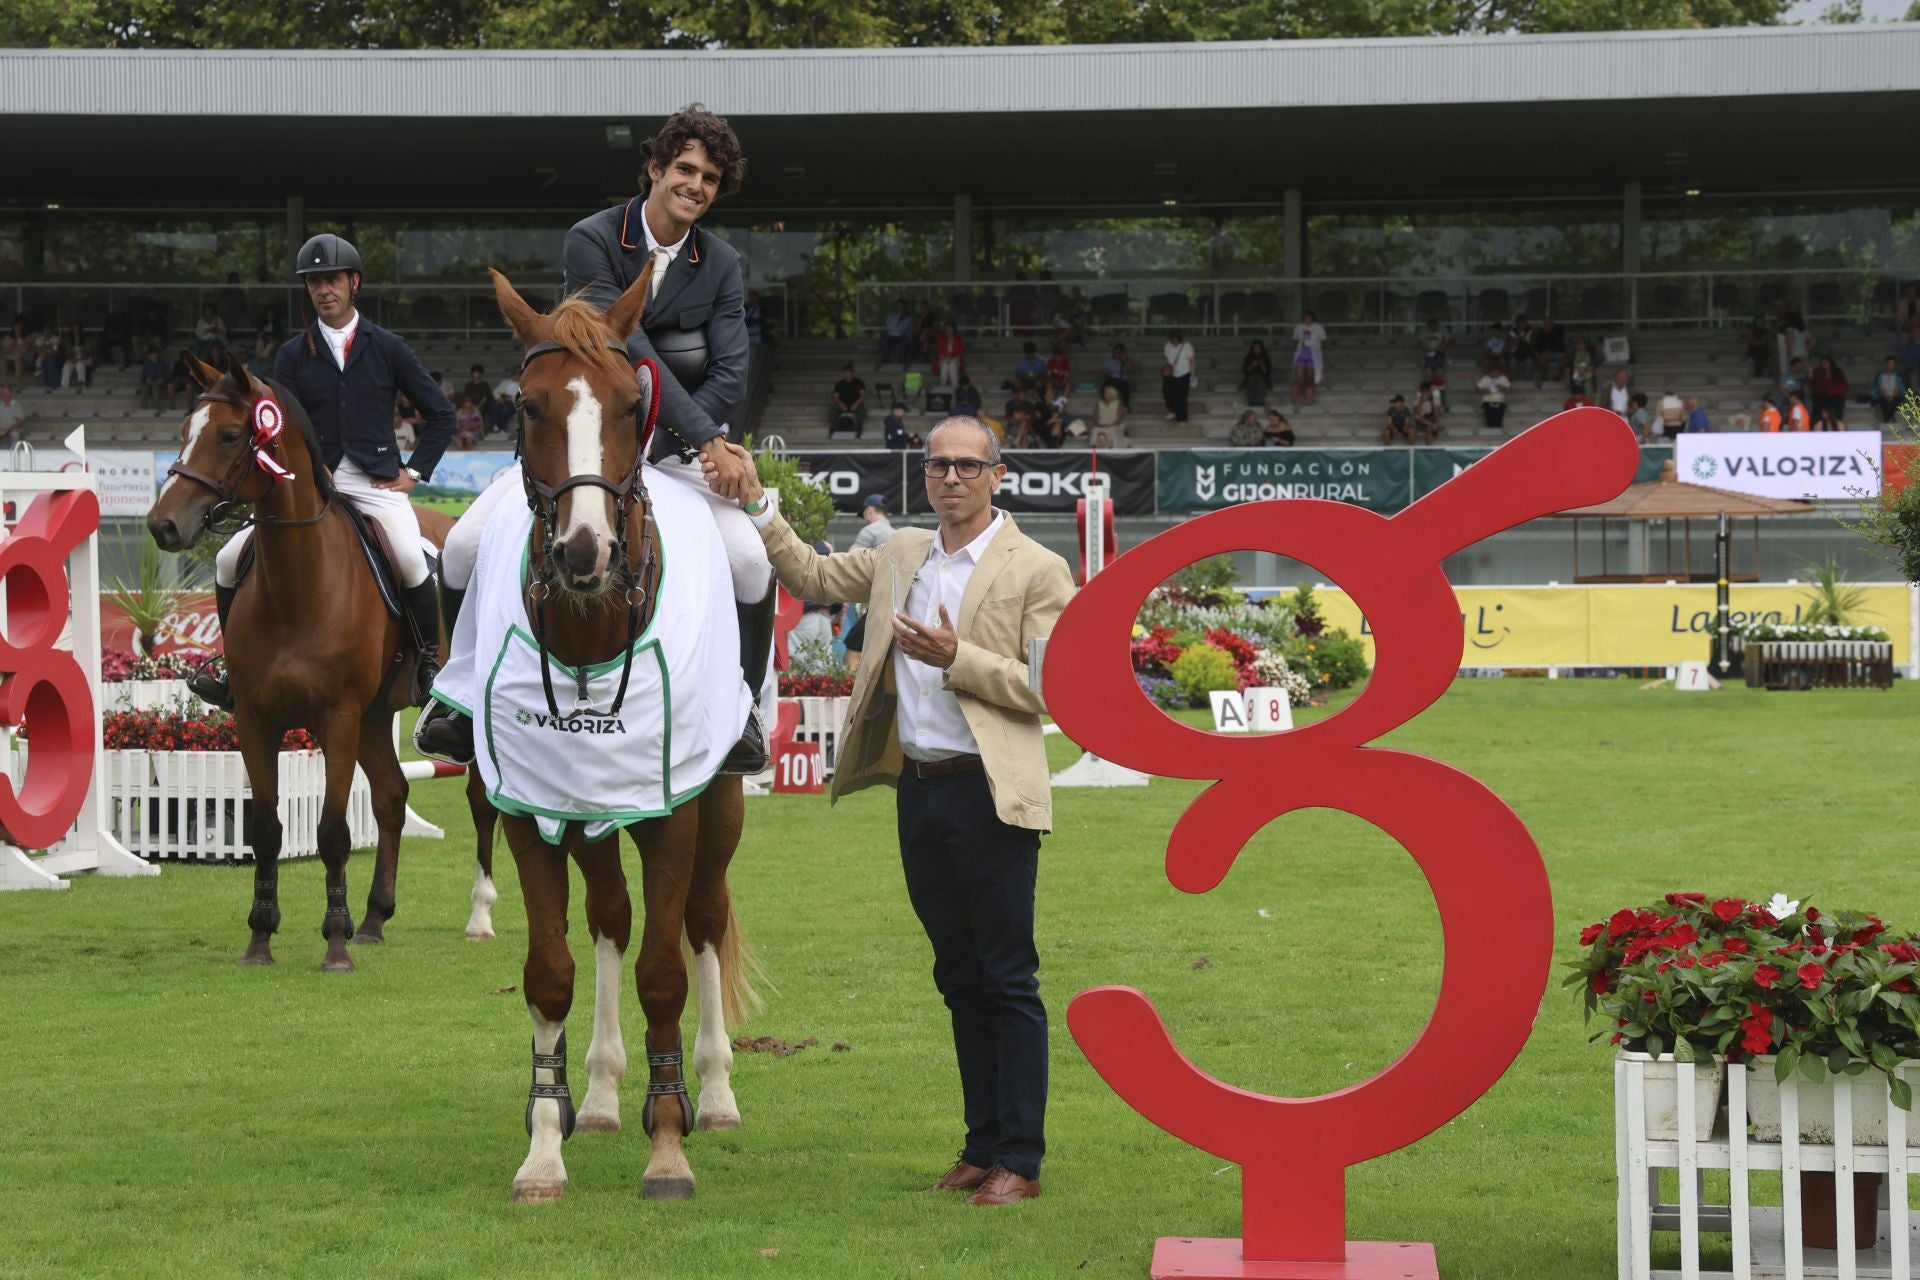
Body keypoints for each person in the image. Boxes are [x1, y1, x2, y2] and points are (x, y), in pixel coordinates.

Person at [722, 414, 1073, 1209]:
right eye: (939, 466)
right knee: (957, 977)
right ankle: (982, 1146)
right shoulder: (900, 552)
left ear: (998, 474)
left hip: (992, 794)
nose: (951, 478)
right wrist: (757, 503)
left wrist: (963, 661)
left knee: (1007, 977)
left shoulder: (1040, 569)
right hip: (918, 791)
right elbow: (809, 575)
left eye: (967, 466)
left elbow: (1056, 693)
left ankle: (1021, 1156)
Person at [417, 104, 770, 774]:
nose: (696, 185)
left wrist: (693, 446)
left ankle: (745, 708)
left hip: (675, 453)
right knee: (462, 546)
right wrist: (703, 437)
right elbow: (624, 347)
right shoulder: (593, 238)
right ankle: (458, 696)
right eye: (686, 169)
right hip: (582, 445)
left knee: (751, 564)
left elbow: (731, 373)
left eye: (711, 178)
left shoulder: (721, 262)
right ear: (656, 168)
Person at [187, 232, 456, 712]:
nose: (323, 289)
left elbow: (441, 414)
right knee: (229, 560)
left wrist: (414, 472)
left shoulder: (388, 346)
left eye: (331, 279)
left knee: (414, 560)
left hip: (373, 479)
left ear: (354, 283)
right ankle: (233, 669)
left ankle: (430, 661)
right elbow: (279, 426)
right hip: (312, 481)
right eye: (313, 282)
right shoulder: (293, 354)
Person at [1290, 310, 1327, 406]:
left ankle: (1309, 403)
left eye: (1308, 316)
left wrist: (1316, 347)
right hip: (1301, 354)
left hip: (1313, 356)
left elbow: (1324, 342)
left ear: (1312, 317)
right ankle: (1293, 403)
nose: (1306, 318)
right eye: (1304, 317)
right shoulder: (1299, 327)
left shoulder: (1319, 328)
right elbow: (1295, 340)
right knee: (1297, 380)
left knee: (1310, 381)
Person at [1162, 328, 1194, 425]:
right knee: (1167, 391)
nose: (1174, 341)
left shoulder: (1186, 346)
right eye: (1172, 339)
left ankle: (1182, 418)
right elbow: (1168, 359)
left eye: (1176, 339)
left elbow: (1192, 361)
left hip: (1184, 373)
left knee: (1181, 396)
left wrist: (1192, 374)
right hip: (1171, 373)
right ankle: (1172, 411)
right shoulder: (1167, 346)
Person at [830, 362, 868, 439]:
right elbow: (835, 397)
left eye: (849, 372)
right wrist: (841, 404)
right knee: (832, 411)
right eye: (846, 372)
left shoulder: (859, 382)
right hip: (842, 405)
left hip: (856, 404)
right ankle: (833, 430)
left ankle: (858, 432)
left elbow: (862, 396)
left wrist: (855, 404)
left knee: (861, 413)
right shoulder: (839, 383)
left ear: (852, 373)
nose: (847, 374)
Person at [1808, 355, 1847, 424]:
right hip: (1821, 397)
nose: (1824, 364)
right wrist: (1810, 375)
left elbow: (1843, 385)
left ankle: (1836, 423)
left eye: (1826, 362)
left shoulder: (1838, 372)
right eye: (1822, 363)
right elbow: (1812, 384)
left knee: (1838, 403)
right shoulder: (1817, 372)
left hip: (1835, 397)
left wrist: (1833, 391)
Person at [1532, 314, 1566, 386]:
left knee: (1564, 359)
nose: (1548, 324)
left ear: (1553, 323)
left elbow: (1559, 341)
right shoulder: (1540, 333)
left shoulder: (1558, 329)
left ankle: (1558, 376)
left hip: (1557, 352)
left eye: (1549, 322)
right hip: (1545, 354)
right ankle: (1545, 377)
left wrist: (1549, 332)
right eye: (1546, 323)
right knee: (1542, 359)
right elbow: (1536, 346)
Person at [1477, 362, 1511, 433]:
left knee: (1498, 423)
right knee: (1490, 423)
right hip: (1488, 403)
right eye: (1493, 372)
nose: (1494, 373)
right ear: (1489, 372)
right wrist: (1485, 391)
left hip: (1500, 403)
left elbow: (1509, 390)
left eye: (1496, 372)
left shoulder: (1503, 378)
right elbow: (1477, 389)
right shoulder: (1485, 379)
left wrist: (1502, 388)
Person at [880, 298, 914, 368]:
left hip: (902, 336)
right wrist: (898, 317)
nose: (900, 308)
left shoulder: (908, 318)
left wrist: (909, 338)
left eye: (901, 306)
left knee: (905, 341)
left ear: (904, 307)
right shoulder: (890, 316)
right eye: (898, 306)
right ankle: (886, 360)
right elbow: (889, 327)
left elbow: (909, 330)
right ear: (895, 307)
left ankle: (901, 360)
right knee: (884, 341)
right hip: (891, 335)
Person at [1091, 384, 1128, 448]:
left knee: (1112, 429)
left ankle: (1113, 446)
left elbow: (1120, 419)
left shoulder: (1118, 403)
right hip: (1102, 424)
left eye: (1107, 393)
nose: (1105, 394)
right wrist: (1100, 424)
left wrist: (1110, 425)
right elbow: (1095, 417)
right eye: (1105, 393)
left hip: (1115, 424)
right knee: (1095, 429)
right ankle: (1095, 446)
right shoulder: (1099, 403)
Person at [1875, 356, 1909, 425]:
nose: (1891, 366)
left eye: (1892, 364)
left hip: (1895, 396)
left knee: (1894, 401)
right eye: (1889, 364)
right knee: (1884, 401)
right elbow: (1877, 388)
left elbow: (1903, 390)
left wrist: (1894, 395)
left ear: (1895, 365)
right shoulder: (1881, 376)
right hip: (1883, 396)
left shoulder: (1898, 376)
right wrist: (1884, 394)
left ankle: (1886, 419)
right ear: (1885, 365)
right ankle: (1889, 417)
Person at [933, 322, 966, 390]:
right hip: (944, 359)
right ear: (945, 330)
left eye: (950, 329)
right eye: (947, 329)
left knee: (952, 365)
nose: (948, 331)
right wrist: (945, 356)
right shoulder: (941, 339)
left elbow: (960, 352)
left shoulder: (957, 340)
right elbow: (939, 352)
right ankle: (942, 387)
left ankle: (955, 388)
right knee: (945, 365)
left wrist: (952, 356)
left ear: (953, 330)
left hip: (955, 359)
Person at [1100, 343, 1133, 408]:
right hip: (1111, 379)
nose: (1117, 354)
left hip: (1122, 380)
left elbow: (1132, 370)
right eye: (1115, 353)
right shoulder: (1108, 360)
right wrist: (1106, 371)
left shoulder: (1127, 361)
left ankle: (1125, 406)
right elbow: (1101, 372)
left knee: (1126, 386)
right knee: (1106, 386)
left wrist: (1125, 361)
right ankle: (1104, 406)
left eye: (1119, 353)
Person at [1241, 340, 1272, 407]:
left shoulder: (1266, 357)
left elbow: (1267, 372)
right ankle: (1251, 402)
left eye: (1258, 348)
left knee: (1261, 381)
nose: (1256, 350)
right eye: (1255, 348)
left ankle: (1259, 402)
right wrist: (1252, 365)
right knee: (1251, 380)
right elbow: (1245, 372)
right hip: (1251, 376)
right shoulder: (1248, 357)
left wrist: (1262, 365)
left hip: (1262, 377)